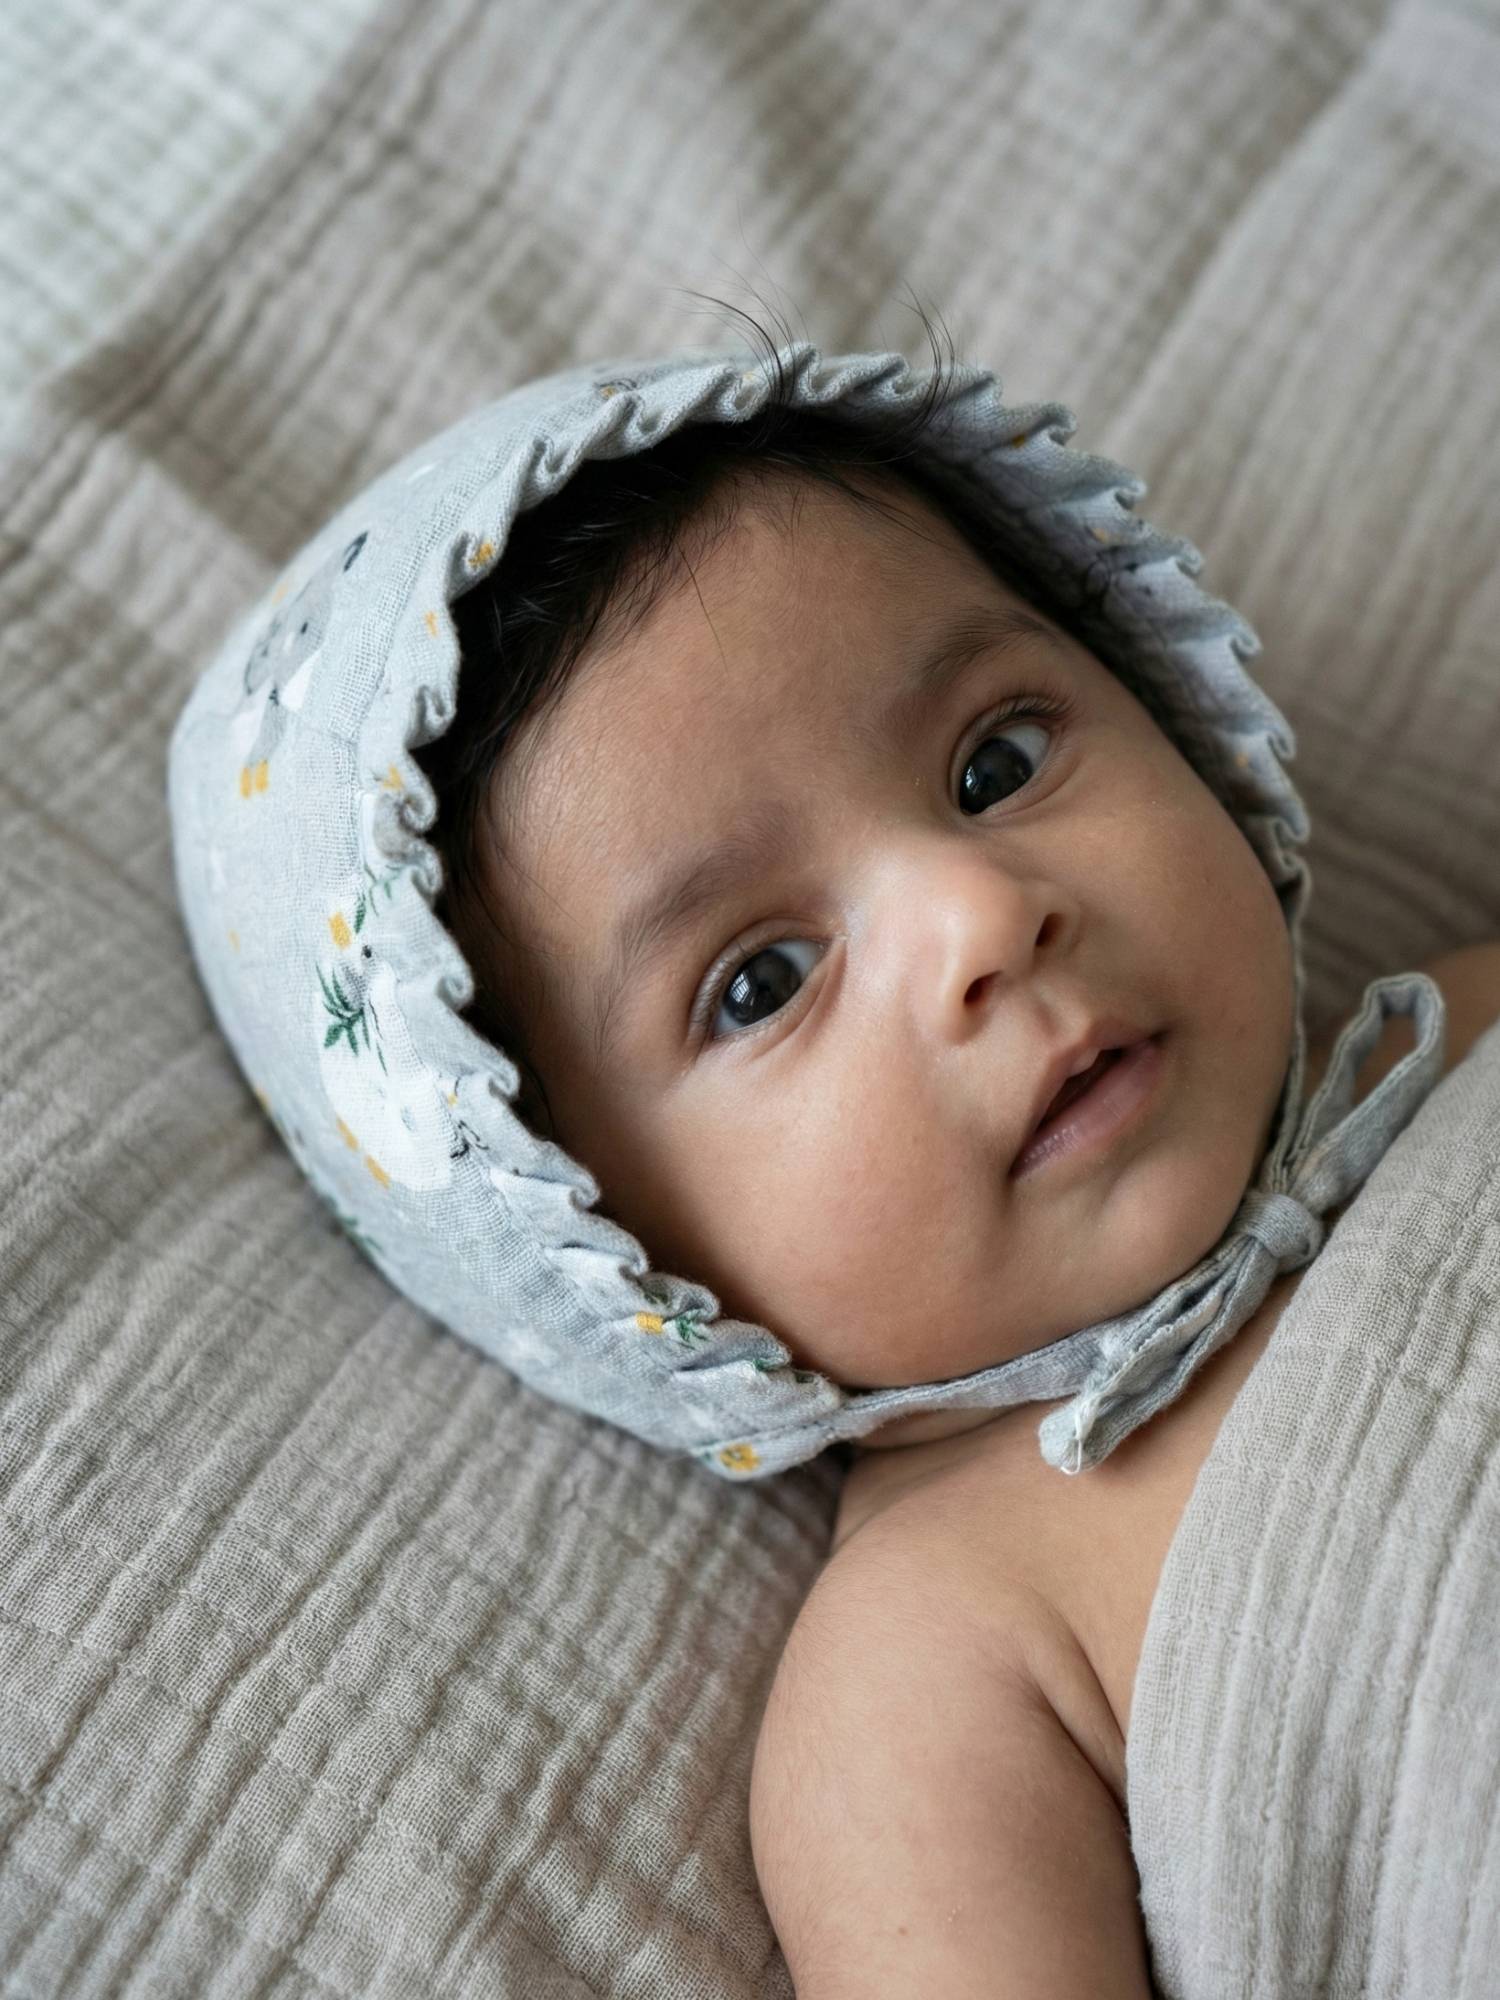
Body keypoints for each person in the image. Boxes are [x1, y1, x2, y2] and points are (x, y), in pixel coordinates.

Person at [169, 306, 1471, 1992]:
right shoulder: (932, 1659)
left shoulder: (1455, 1033)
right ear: (612, 1260)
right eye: (762, 981)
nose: (982, 916)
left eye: (996, 762)